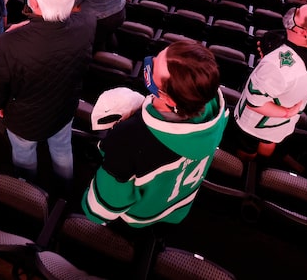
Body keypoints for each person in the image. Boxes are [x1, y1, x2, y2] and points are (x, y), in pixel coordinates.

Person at [82, 41, 228, 227]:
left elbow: (104, 206)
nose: (148, 65)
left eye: (154, 70)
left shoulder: (130, 138)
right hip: (179, 203)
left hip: (138, 217)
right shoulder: (214, 108)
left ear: (168, 98)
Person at [0, 0, 95, 187]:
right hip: (64, 109)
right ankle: (65, 189)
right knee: (63, 148)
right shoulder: (88, 24)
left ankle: (26, 189)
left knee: (24, 156)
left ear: (32, 0)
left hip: (25, 120)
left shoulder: (10, 43)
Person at [230, 2, 307, 159]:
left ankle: (246, 166)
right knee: (269, 140)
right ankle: (262, 165)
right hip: (283, 117)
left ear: (304, 33)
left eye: (298, 14)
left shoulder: (275, 65)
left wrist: (287, 112)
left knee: (246, 145)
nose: (293, 12)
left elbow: (254, 103)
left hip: (256, 121)